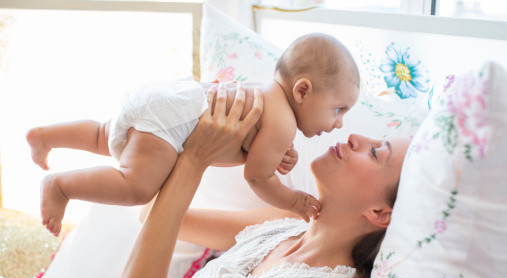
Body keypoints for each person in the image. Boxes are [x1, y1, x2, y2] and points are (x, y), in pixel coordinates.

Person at [1, 79, 409, 278]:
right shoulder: (286, 225)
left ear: (380, 213)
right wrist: (211, 139)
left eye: (377, 154)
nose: (355, 137)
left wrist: (195, 159)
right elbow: (152, 215)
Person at [26, 33, 360, 237]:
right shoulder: (283, 122)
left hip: (168, 100)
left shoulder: (267, 95)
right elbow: (257, 176)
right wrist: (294, 201)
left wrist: (278, 154)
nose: (340, 124)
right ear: (303, 90)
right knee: (136, 187)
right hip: (171, 126)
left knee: (105, 135)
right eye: (339, 109)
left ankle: (46, 135)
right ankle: (60, 186)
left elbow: (251, 148)